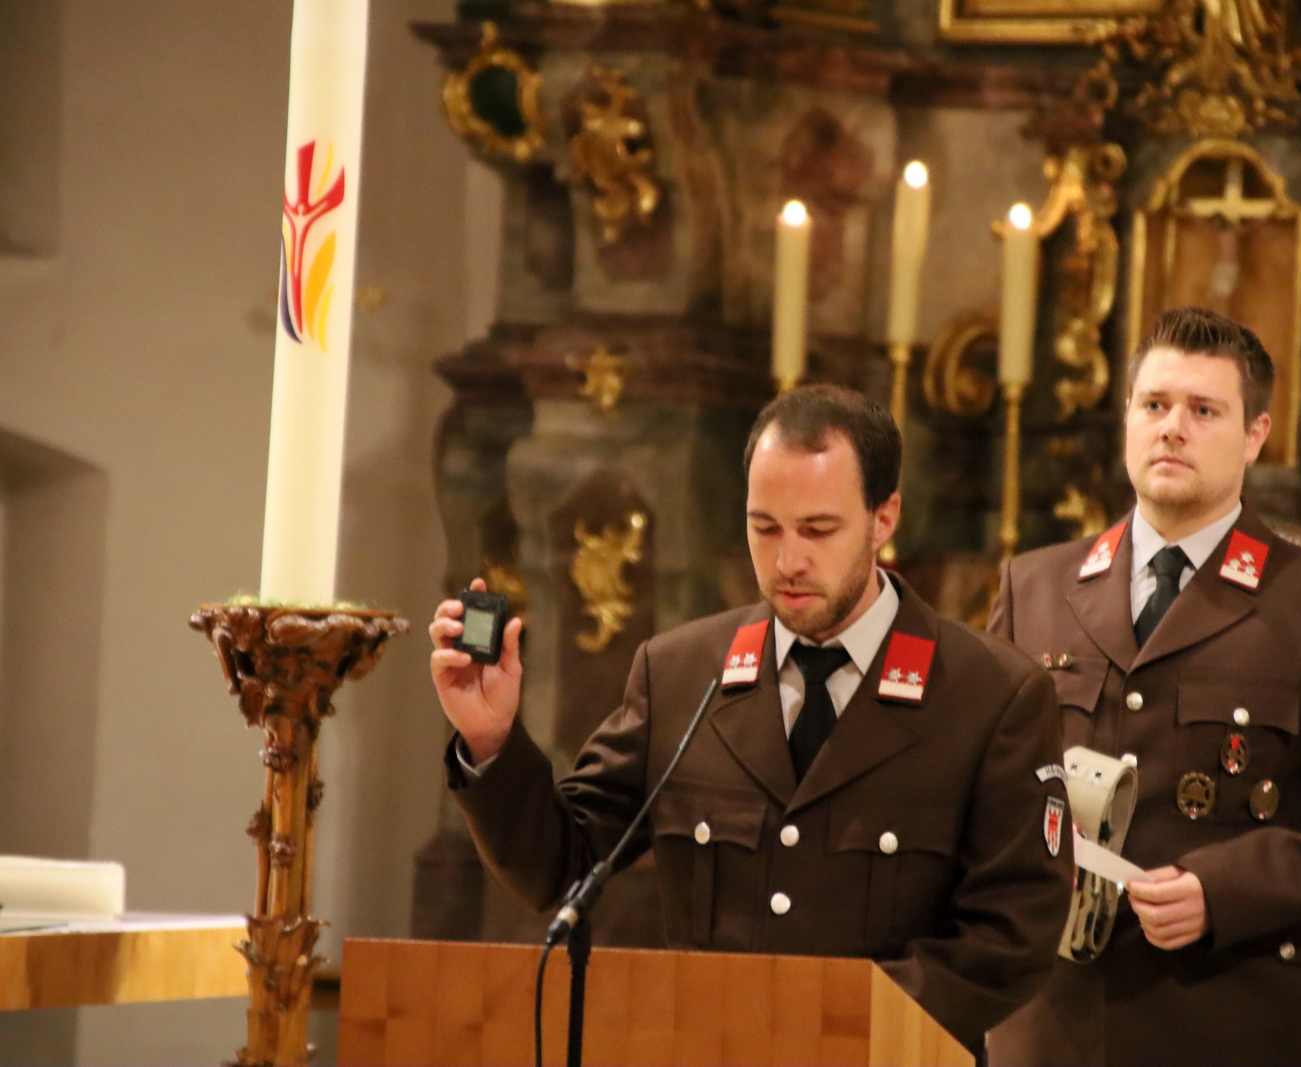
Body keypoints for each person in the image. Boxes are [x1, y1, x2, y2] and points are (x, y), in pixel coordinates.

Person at [429, 384, 1070, 1055]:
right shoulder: (681, 674)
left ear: (884, 518)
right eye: (764, 527)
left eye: (818, 530)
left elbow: (1012, 934)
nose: (788, 561)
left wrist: (828, 1023)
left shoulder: (988, 694)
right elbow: (560, 864)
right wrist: (491, 738)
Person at [987, 307, 1301, 1067]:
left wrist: (1225, 890)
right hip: (1055, 1018)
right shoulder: (1035, 585)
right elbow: (981, 783)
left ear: (1255, 434)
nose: (1172, 429)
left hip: (1233, 1013)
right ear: (1127, 418)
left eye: (1203, 410)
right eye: (1154, 405)